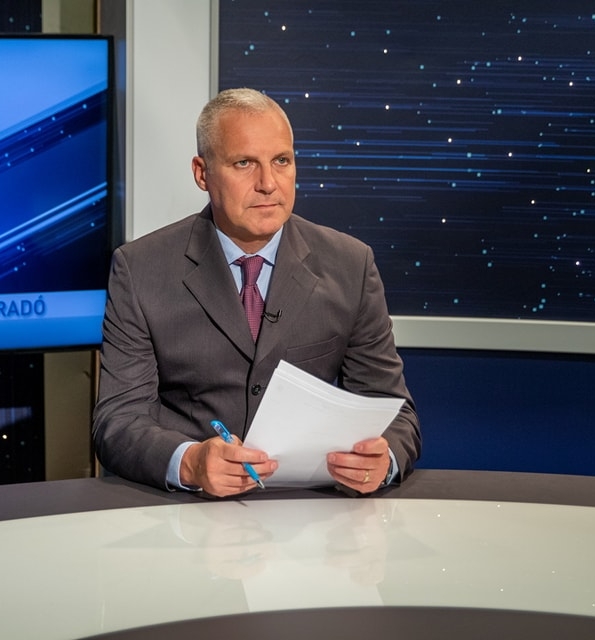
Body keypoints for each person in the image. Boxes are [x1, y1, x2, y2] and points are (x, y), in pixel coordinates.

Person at [92, 88, 420, 498]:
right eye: (244, 163)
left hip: (311, 508)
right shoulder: (141, 269)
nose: (268, 184)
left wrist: (383, 460)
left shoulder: (350, 264)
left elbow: (395, 411)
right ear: (202, 173)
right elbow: (118, 420)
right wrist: (190, 463)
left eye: (281, 161)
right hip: (189, 508)